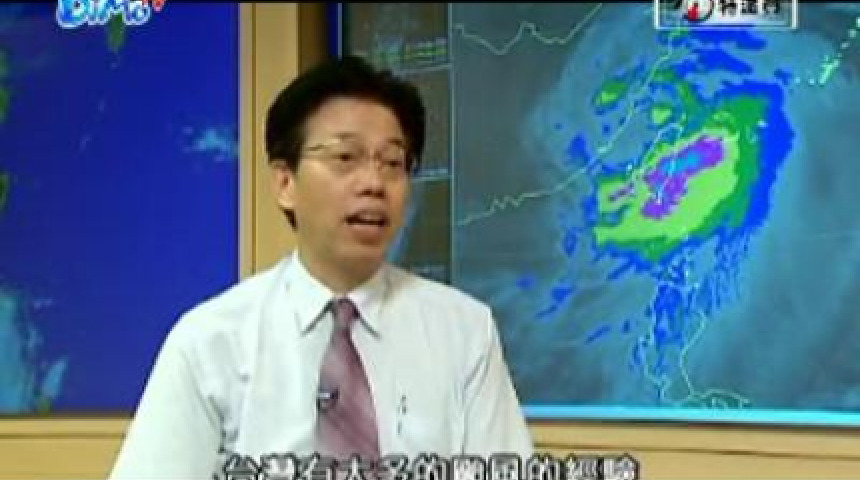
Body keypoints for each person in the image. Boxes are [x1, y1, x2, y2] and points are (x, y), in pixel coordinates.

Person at [109, 55, 533, 479]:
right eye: (345, 157)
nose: (374, 183)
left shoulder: (464, 332)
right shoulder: (210, 342)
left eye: (392, 163)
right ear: (285, 183)